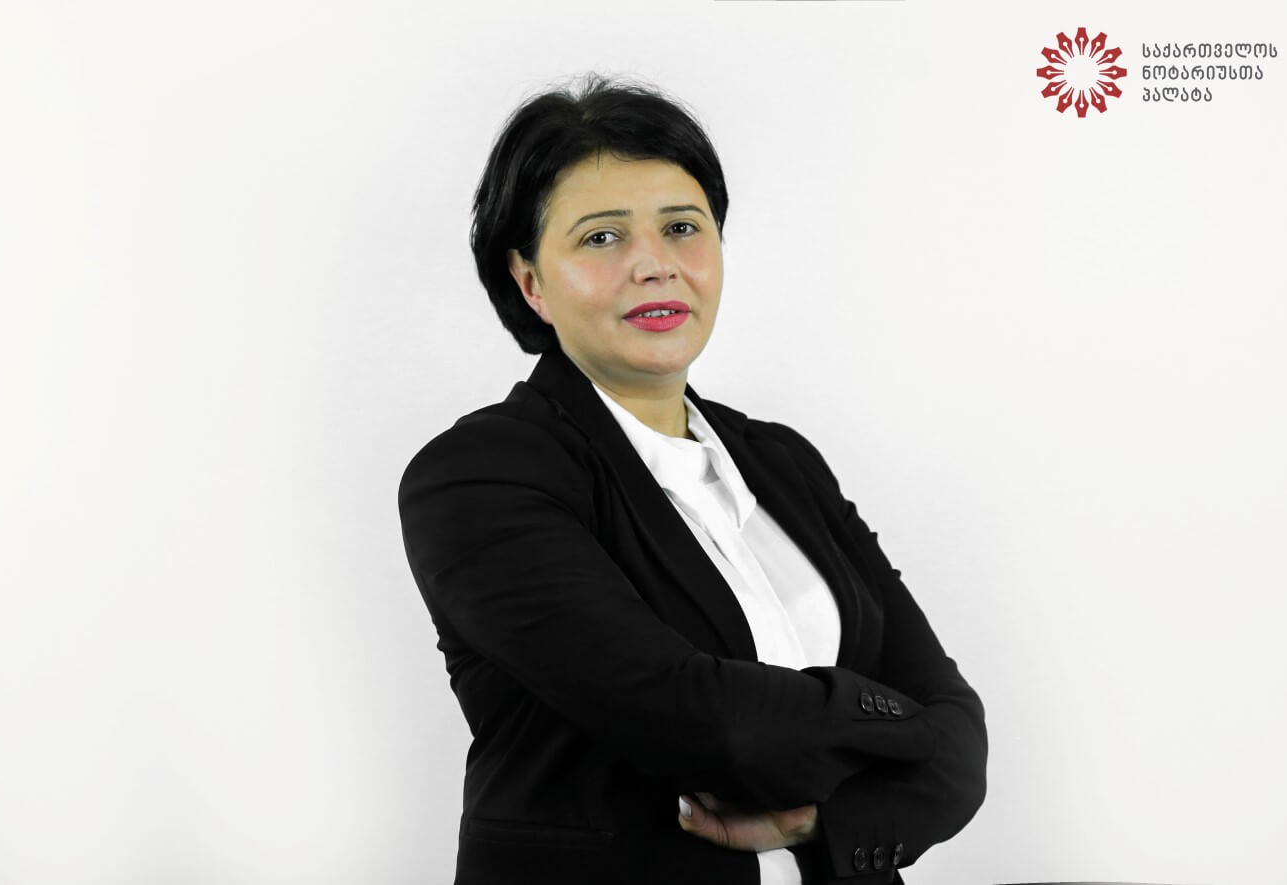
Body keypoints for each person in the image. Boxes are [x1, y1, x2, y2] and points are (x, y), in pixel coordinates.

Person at [398, 73, 987, 885]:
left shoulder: (783, 461)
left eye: (682, 227)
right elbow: (701, 722)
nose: (655, 265)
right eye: (602, 237)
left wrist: (823, 819)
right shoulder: (478, 477)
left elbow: (962, 751)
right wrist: (903, 728)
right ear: (530, 281)